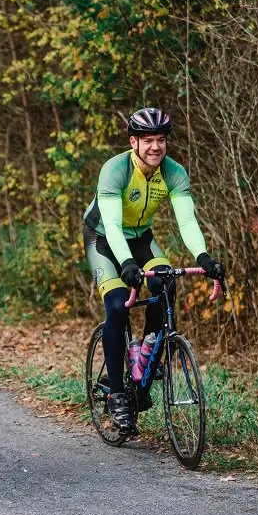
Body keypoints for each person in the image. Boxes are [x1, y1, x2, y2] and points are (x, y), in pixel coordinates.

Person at [82, 108, 225, 432]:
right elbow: (114, 226)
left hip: (142, 239)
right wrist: (128, 265)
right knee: (117, 305)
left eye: (161, 140)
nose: (155, 147)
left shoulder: (174, 173)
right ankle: (117, 393)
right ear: (134, 142)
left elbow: (187, 220)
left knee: (166, 283)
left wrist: (203, 257)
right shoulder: (115, 170)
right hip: (104, 239)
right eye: (148, 141)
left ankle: (147, 349)